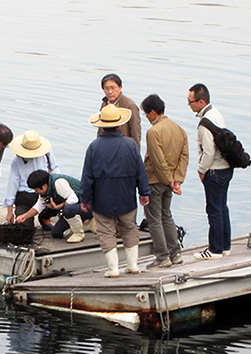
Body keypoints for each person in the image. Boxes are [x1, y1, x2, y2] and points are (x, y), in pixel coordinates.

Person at [80, 104, 151, 277]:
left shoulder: (94, 147)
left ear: (101, 125)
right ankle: (133, 265)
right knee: (129, 228)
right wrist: (144, 192)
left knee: (106, 231)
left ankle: (113, 269)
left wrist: (84, 199)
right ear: (119, 124)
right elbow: (139, 171)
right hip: (126, 196)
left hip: (102, 197)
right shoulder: (131, 145)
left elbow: (87, 177)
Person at [142, 94, 189, 268]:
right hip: (170, 181)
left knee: (154, 219)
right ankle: (175, 253)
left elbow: (157, 160)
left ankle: (162, 257)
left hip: (155, 181)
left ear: (153, 112)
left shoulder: (153, 132)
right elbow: (184, 157)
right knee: (167, 216)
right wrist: (177, 180)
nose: (146, 117)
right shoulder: (179, 129)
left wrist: (169, 180)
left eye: (147, 113)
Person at [189, 83, 233, 260]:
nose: (189, 105)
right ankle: (225, 246)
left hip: (214, 171)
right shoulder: (216, 113)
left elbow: (209, 151)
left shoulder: (204, 124)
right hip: (226, 168)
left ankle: (214, 250)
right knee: (222, 207)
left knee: (213, 210)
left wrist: (201, 171)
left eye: (190, 101)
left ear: (201, 101)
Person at [4, 130, 61, 229]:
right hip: (26, 196)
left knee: (59, 200)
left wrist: (58, 186)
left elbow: (55, 169)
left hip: (44, 191)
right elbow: (12, 184)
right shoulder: (16, 162)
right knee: (23, 227)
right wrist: (9, 211)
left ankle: (45, 217)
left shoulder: (46, 153)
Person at [16, 169, 93, 243]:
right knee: (56, 233)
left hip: (88, 206)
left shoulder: (58, 182)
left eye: (36, 190)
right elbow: (39, 206)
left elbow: (73, 199)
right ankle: (85, 224)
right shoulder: (45, 191)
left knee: (67, 209)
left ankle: (79, 233)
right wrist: (24, 216)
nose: (36, 192)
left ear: (44, 185)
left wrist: (57, 207)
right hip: (75, 208)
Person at [98, 73, 142, 150]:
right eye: (107, 88)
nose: (110, 92)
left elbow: (135, 134)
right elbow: (100, 130)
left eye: (113, 88)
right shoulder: (105, 104)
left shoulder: (130, 105)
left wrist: (134, 154)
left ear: (120, 88)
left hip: (123, 150)